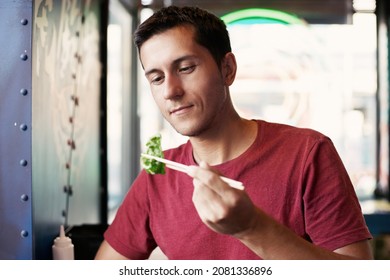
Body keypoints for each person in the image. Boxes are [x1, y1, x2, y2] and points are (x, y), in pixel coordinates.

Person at [95, 5, 373, 260]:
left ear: (227, 69)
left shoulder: (307, 153)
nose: (170, 91)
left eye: (186, 68)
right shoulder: (158, 175)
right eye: (156, 78)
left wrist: (251, 227)